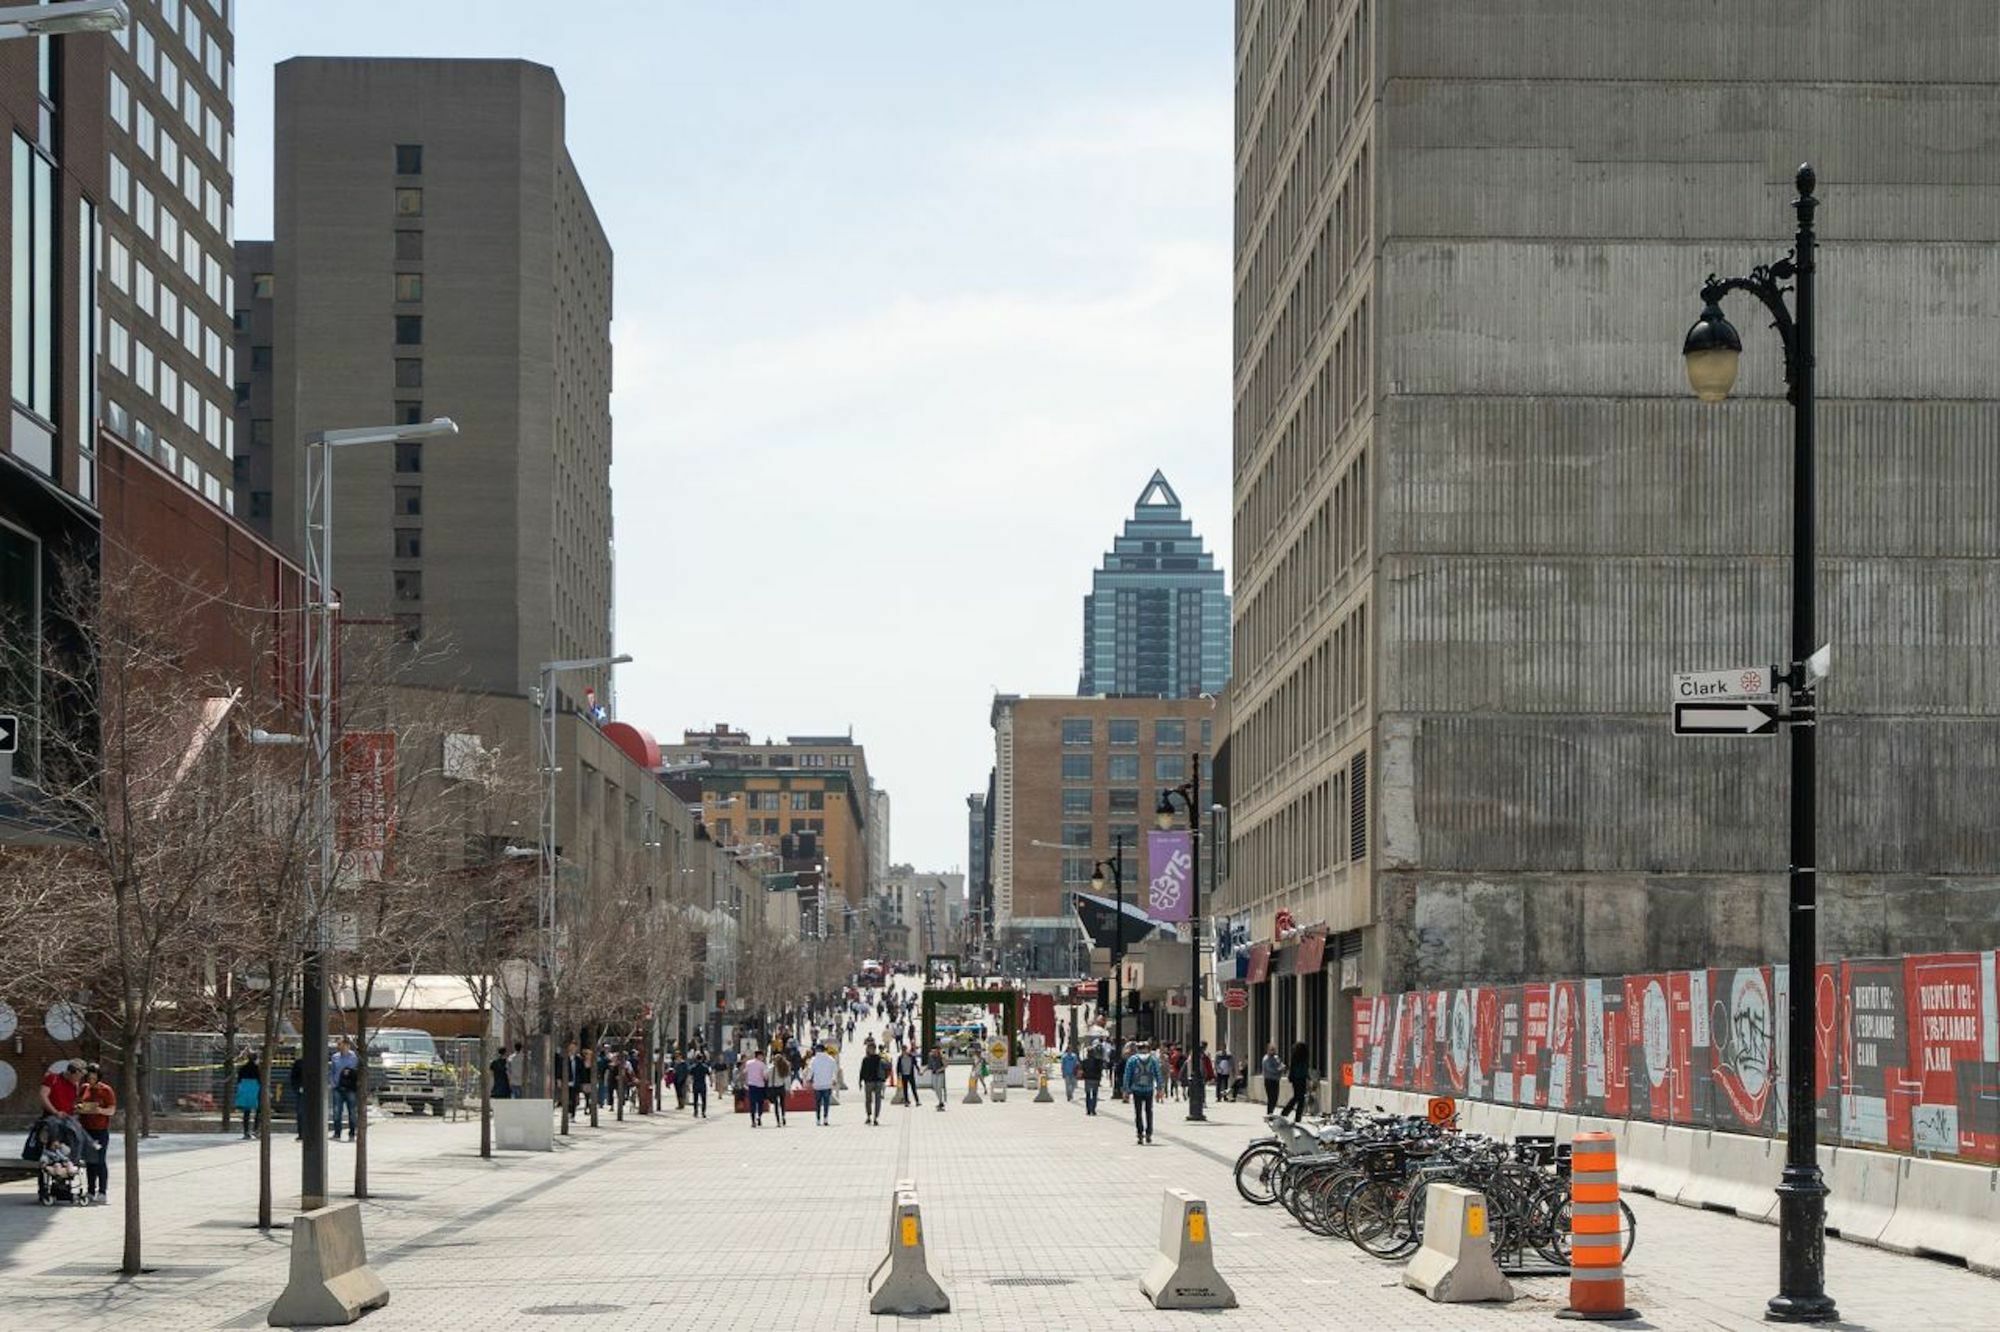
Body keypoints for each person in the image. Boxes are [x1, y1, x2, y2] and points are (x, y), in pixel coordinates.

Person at [76, 1064, 115, 1204]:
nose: (91, 1080)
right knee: (90, 1161)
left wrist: (99, 1110)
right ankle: (91, 1190)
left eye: (94, 1077)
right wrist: (81, 1108)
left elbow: (111, 1110)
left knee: (100, 1160)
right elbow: (78, 1105)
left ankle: (102, 1191)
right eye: (89, 1077)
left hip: (100, 1130)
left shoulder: (106, 1090)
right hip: (87, 1130)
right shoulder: (84, 1088)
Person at [1124, 1040, 1160, 1145]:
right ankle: (1149, 1133)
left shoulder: (1132, 1060)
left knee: (1138, 1112)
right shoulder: (1153, 1059)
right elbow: (1158, 1074)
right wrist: (1160, 1088)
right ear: (1148, 1049)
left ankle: (1140, 1134)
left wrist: (1126, 1090)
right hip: (1149, 1089)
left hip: (1136, 1089)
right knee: (1149, 1111)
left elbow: (1127, 1075)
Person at [329, 1038, 360, 1141]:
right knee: (337, 1111)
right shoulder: (335, 1057)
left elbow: (356, 1072)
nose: (340, 1047)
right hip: (337, 1087)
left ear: (347, 1046)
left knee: (352, 1111)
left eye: (341, 1045)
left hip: (350, 1088)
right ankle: (337, 1133)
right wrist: (333, 1083)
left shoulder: (354, 1057)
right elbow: (332, 1071)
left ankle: (352, 1133)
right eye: (338, 1045)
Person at [234, 1051, 262, 1139]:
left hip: (245, 1091)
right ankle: (256, 1130)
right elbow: (261, 1080)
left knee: (246, 1112)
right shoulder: (258, 1069)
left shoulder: (242, 1068)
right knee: (258, 1111)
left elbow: (239, 1081)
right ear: (256, 1059)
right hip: (255, 1090)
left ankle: (246, 1132)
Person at [859, 1039, 887, 1125]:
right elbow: (862, 1071)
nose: (869, 1050)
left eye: (870, 1048)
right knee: (868, 1100)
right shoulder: (866, 1059)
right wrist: (860, 1081)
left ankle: (875, 1117)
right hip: (869, 1082)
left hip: (877, 1082)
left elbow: (885, 1069)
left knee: (877, 1100)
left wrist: (883, 1080)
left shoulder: (878, 1059)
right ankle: (869, 1115)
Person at [1282, 1041, 1312, 1122]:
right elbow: (1304, 1069)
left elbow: (1292, 1069)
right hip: (1301, 1079)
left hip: (1296, 1079)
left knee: (1297, 1097)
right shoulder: (1304, 1059)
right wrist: (1308, 1077)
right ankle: (1296, 1116)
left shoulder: (1294, 1058)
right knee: (1300, 1098)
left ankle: (1285, 1113)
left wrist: (1291, 1077)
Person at [744, 1049, 769, 1125]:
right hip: (760, 1085)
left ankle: (753, 1120)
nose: (763, 1057)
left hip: (751, 1085)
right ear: (759, 1056)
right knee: (760, 1102)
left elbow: (745, 1072)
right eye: (762, 1056)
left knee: (752, 1103)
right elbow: (765, 1076)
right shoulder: (762, 1064)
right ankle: (759, 1116)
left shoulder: (748, 1063)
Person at [1080, 1043, 1105, 1116]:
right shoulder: (1098, 1061)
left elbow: (1083, 1069)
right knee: (1094, 1094)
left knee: (1088, 1095)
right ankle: (1093, 1109)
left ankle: (1088, 1110)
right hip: (1095, 1079)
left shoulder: (1084, 1061)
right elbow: (1101, 1069)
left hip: (1087, 1079)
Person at [768, 1049, 791, 1126]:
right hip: (781, 1087)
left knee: (776, 1105)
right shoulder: (784, 1068)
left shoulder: (771, 1068)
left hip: (773, 1088)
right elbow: (786, 1079)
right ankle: (783, 1116)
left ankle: (778, 1121)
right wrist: (788, 1089)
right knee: (782, 1103)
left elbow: (767, 1077)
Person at [686, 1049, 710, 1118]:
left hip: (695, 1084)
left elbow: (690, 1077)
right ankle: (703, 1112)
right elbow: (709, 1075)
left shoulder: (693, 1067)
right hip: (702, 1084)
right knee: (703, 1099)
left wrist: (688, 1084)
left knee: (695, 1099)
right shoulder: (705, 1067)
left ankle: (695, 1112)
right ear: (702, 1059)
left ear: (696, 1059)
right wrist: (711, 1082)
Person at [288, 1051, 307, 1138]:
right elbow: (293, 1077)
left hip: (313, 1091)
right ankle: (301, 1133)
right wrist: (297, 1088)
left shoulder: (316, 1062)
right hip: (301, 1091)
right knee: (301, 1112)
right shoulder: (299, 1063)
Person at [1261, 1043, 1283, 1115]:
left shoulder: (1276, 1058)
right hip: (1269, 1080)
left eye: (1274, 1050)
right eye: (1271, 1050)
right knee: (1271, 1097)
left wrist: (1281, 1067)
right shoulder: (1266, 1059)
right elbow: (1272, 1070)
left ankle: (1271, 1112)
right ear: (1268, 1050)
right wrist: (1280, 1069)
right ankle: (1269, 1113)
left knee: (1275, 1097)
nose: (1273, 1051)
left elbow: (1280, 1064)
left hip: (1276, 1080)